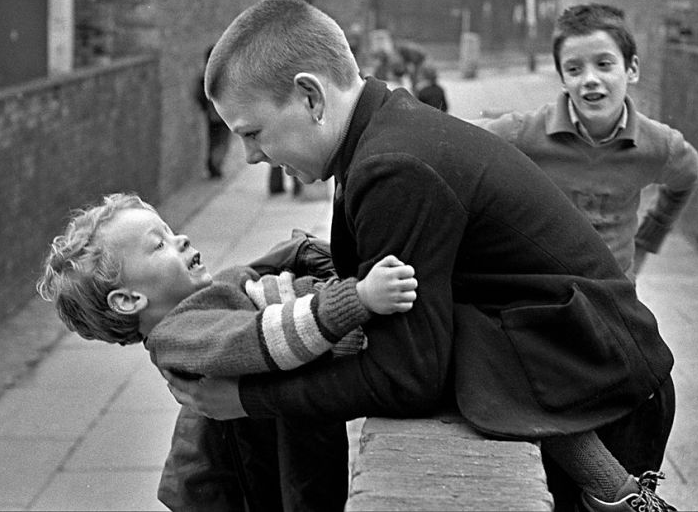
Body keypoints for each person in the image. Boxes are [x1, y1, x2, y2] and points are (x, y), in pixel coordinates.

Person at [169, 0, 678, 512]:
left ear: (310, 97)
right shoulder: (384, 133)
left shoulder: (393, 167)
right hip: (578, 375)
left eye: (252, 133)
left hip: (600, 395)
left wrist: (246, 400)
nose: (253, 156)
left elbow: (406, 376)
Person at [36, 192, 417, 511]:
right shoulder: (182, 336)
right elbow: (268, 338)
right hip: (275, 474)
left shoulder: (201, 305)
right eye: (159, 244)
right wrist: (359, 298)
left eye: (170, 230)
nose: (181, 239)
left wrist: (305, 253)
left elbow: (255, 273)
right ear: (130, 300)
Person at [470, 4, 698, 282]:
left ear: (632, 69)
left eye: (604, 64)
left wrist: (646, 242)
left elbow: (688, 175)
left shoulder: (660, 145)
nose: (590, 79)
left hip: (614, 297)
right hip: (545, 297)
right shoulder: (523, 133)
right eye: (574, 69)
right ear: (564, 80)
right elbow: (452, 143)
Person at [196, 45, 232, 179]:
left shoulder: (204, 77)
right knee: (222, 140)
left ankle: (212, 163)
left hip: (211, 115)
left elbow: (198, 94)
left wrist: (205, 108)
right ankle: (216, 165)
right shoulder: (224, 77)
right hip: (222, 115)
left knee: (213, 140)